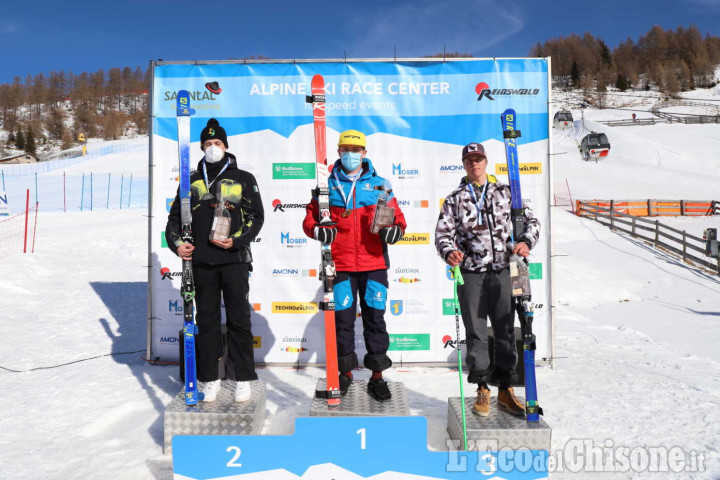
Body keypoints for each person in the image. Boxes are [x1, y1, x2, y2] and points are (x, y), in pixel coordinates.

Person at [434, 142, 540, 417]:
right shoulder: (455, 199)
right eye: (469, 160)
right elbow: (443, 235)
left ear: (486, 161)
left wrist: (526, 242)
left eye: (478, 158)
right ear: (463, 164)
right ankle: (482, 386)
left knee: (505, 328)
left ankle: (506, 388)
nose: (474, 164)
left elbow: (532, 223)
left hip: (506, 270)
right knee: (476, 331)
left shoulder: (507, 192)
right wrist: (450, 252)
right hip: (471, 273)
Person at [303, 130, 407, 401]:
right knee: (343, 322)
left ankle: (377, 377)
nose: (351, 154)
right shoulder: (325, 185)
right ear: (338, 152)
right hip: (340, 266)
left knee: (375, 319)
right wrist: (317, 231)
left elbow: (398, 219)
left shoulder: (380, 184)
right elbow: (309, 219)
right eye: (345, 149)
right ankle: (345, 374)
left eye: (356, 149)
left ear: (364, 152)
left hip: (374, 264)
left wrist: (395, 230)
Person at [166, 118, 264, 403]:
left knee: (239, 319)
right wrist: (178, 245)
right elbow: (173, 221)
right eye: (207, 144)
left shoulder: (243, 178)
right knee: (206, 321)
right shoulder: (190, 180)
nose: (212, 148)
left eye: (217, 143)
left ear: (226, 146)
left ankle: (244, 377)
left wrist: (237, 240)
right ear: (201, 147)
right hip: (201, 263)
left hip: (234, 259)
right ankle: (209, 378)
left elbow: (257, 216)